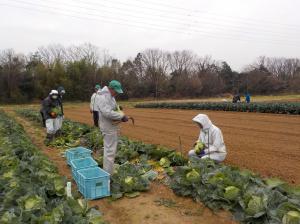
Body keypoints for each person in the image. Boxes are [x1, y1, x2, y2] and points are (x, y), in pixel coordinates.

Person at [94, 80, 129, 174]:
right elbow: (107, 112)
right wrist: (122, 116)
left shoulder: (110, 96)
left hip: (112, 126)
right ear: (111, 88)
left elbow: (111, 107)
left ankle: (108, 171)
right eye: (116, 91)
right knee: (109, 151)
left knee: (111, 151)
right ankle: (108, 174)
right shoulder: (102, 96)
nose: (117, 93)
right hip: (107, 127)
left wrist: (118, 108)